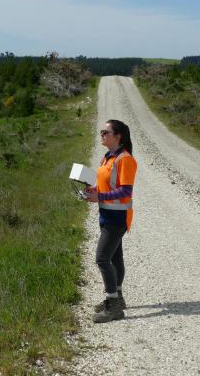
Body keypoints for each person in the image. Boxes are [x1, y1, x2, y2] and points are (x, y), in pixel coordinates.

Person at [84, 119, 137, 323]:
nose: (102, 135)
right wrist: (94, 191)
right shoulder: (107, 157)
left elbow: (125, 190)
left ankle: (113, 306)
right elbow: (105, 185)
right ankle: (118, 298)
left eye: (106, 132)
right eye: (101, 132)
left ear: (118, 136)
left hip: (117, 217)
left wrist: (101, 197)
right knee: (114, 258)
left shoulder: (125, 159)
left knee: (102, 258)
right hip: (106, 214)